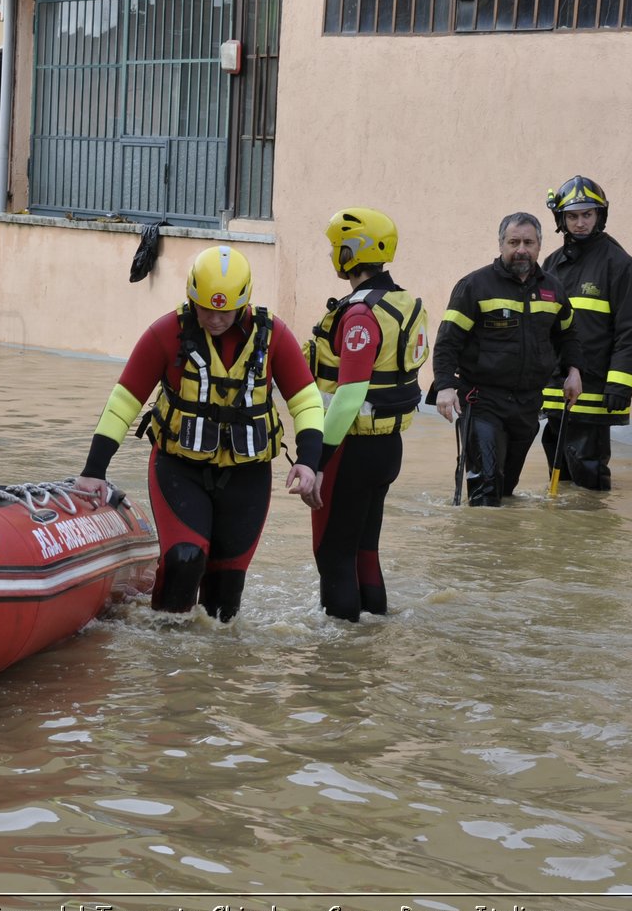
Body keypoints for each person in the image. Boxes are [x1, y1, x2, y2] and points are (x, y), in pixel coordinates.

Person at [73, 245, 325, 623]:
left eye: (223, 310)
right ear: (191, 297)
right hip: (179, 469)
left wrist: (308, 461)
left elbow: (306, 402)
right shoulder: (165, 333)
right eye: (205, 307)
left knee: (225, 600)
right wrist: (95, 470)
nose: (214, 318)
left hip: (247, 477)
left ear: (242, 301)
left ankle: (212, 679)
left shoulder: (274, 336)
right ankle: (167, 663)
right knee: (184, 560)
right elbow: (123, 403)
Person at [303, 208, 427, 621]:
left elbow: (350, 395)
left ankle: (336, 667)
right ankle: (371, 642)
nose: (332, 254)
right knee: (364, 549)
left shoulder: (359, 314)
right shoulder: (403, 302)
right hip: (387, 448)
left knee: (333, 553)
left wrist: (316, 462)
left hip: (349, 450)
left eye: (336, 247)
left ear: (351, 252)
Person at [431, 213, 583, 506]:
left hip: (527, 403)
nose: (521, 249)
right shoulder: (474, 286)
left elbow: (568, 335)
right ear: (501, 244)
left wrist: (574, 371)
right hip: (482, 400)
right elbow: (448, 341)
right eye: (514, 242)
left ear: (539, 246)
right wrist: (446, 387)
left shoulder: (553, 289)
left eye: (528, 242)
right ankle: (479, 546)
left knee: (506, 488)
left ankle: (501, 548)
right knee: (486, 486)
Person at [539, 176, 632, 490]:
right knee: (558, 471)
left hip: (596, 390)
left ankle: (592, 531)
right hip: (555, 389)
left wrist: (620, 384)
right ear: (561, 219)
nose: (580, 223)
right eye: (572, 216)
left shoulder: (621, 265)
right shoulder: (552, 264)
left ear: (600, 215)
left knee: (588, 472)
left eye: (587, 214)